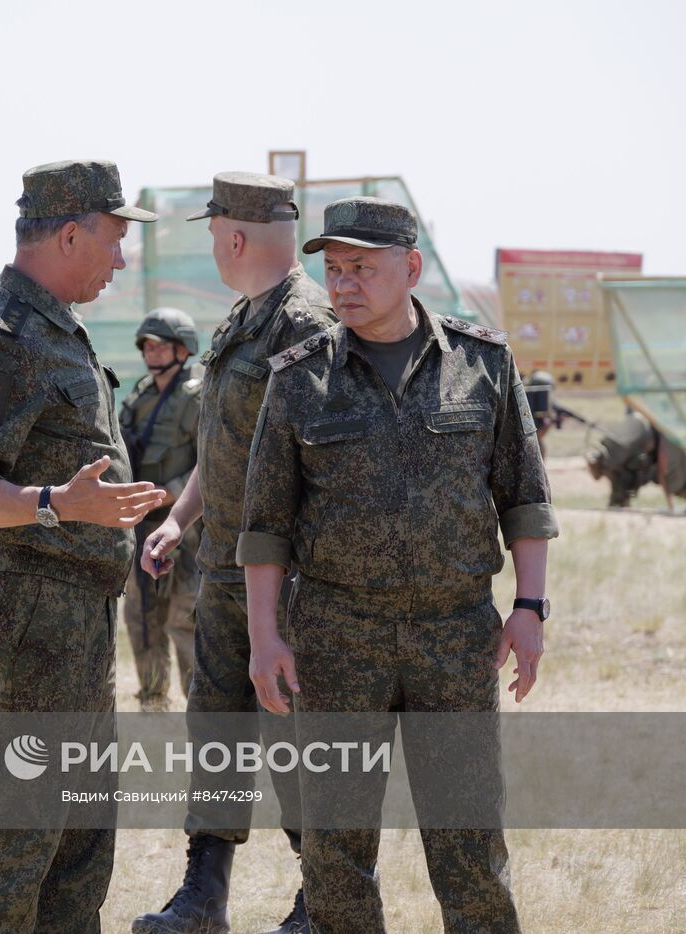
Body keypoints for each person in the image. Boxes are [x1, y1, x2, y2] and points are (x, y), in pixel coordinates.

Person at [240, 197, 557, 933]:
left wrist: (530, 608)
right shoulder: (296, 377)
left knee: (468, 836)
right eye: (334, 270)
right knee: (336, 843)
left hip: (454, 633)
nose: (344, 285)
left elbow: (526, 499)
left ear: (410, 268)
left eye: (363, 268)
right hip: (336, 636)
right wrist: (264, 636)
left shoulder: (483, 363)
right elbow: (264, 526)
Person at [0, 158, 162, 932]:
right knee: (19, 842)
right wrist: (60, 504)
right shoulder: (4, 341)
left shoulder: (65, 332)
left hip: (79, 620)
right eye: (115, 240)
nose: (122, 260)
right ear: (69, 234)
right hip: (32, 620)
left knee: (81, 846)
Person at [135, 172, 334, 934]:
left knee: (293, 740)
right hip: (221, 564)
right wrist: (180, 519)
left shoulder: (305, 323)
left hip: (283, 577)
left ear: (236, 236)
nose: (214, 245)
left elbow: (321, 463)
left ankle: (324, 899)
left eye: (214, 231)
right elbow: (224, 448)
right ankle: (203, 896)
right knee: (215, 730)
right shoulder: (242, 320)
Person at [118, 308, 202, 712]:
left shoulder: (196, 397)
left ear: (183, 349)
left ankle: (200, 710)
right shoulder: (139, 397)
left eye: (161, 345)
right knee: (141, 617)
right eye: (147, 346)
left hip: (187, 527)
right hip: (140, 525)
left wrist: (170, 496)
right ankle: (153, 702)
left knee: (183, 620)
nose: (152, 353)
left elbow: (213, 463)